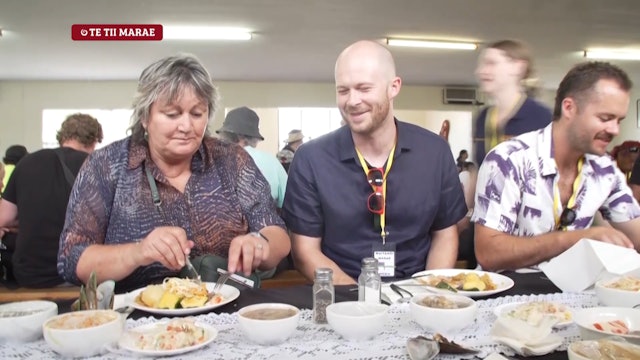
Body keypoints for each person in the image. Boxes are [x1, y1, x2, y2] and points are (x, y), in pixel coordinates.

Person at [57, 54, 291, 292]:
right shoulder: (105, 166)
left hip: (227, 311)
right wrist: (138, 252)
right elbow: (72, 260)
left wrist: (259, 244)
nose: (186, 126)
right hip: (138, 320)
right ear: (145, 117)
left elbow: (276, 232)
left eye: (197, 113)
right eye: (172, 114)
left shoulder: (231, 160)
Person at [282, 40, 466, 284]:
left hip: (418, 294)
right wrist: (362, 302)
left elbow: (445, 233)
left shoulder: (435, 152)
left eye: (364, 88)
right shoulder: (310, 159)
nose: (352, 101)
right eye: (343, 90)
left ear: (394, 87)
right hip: (344, 298)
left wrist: (427, 292)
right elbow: (305, 251)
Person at [473, 61, 640, 271]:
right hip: (508, 291)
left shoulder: (604, 168)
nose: (615, 130)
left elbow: (636, 231)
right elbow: (489, 253)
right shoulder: (509, 159)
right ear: (569, 107)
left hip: (574, 292)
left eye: (619, 120)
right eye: (605, 118)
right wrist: (576, 239)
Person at [0, 113, 103, 287]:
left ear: (62, 136)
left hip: (30, 274)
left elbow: (4, 218)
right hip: (79, 272)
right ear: (94, 141)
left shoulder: (27, 162)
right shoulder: (95, 166)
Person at [473, 40, 552, 165]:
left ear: (518, 67)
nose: (480, 71)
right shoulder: (483, 117)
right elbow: (479, 171)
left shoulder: (542, 117)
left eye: (491, 63)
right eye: (482, 64)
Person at [217, 106, 288, 208]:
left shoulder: (215, 160)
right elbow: (288, 201)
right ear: (253, 137)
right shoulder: (271, 162)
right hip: (267, 222)